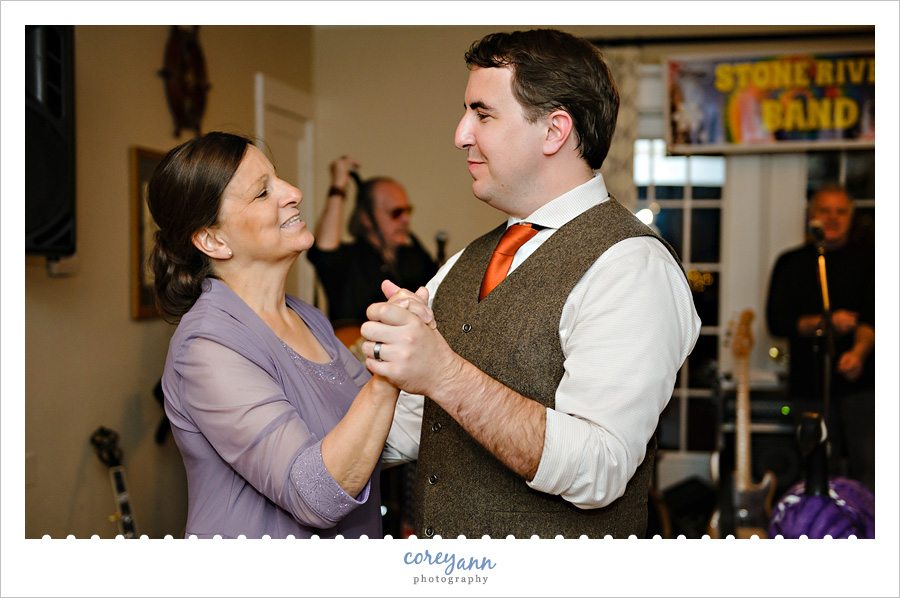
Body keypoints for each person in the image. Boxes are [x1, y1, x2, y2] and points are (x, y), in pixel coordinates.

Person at [361, 29, 702, 539]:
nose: (460, 134)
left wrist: (444, 374)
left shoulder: (631, 266)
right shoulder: (462, 263)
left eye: (483, 113)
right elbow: (412, 427)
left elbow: (600, 468)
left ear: (553, 131)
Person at [147, 132, 432, 538]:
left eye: (278, 178)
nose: (293, 192)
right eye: (263, 193)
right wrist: (388, 371)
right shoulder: (207, 346)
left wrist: (424, 351)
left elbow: (372, 434)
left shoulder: (308, 318)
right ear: (213, 240)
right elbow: (315, 495)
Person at [766, 183, 875, 492]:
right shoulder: (791, 263)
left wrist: (859, 352)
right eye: (825, 211)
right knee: (813, 467)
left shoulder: (871, 261)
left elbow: (874, 317)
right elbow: (777, 322)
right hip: (809, 385)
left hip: (862, 386)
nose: (833, 218)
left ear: (851, 217)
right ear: (810, 216)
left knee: (869, 468)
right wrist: (826, 322)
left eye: (840, 211)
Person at [306, 156, 438, 345]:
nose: (405, 220)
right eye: (396, 212)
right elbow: (324, 252)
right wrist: (338, 187)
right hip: (356, 360)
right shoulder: (350, 259)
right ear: (367, 218)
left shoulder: (415, 256)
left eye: (407, 211)